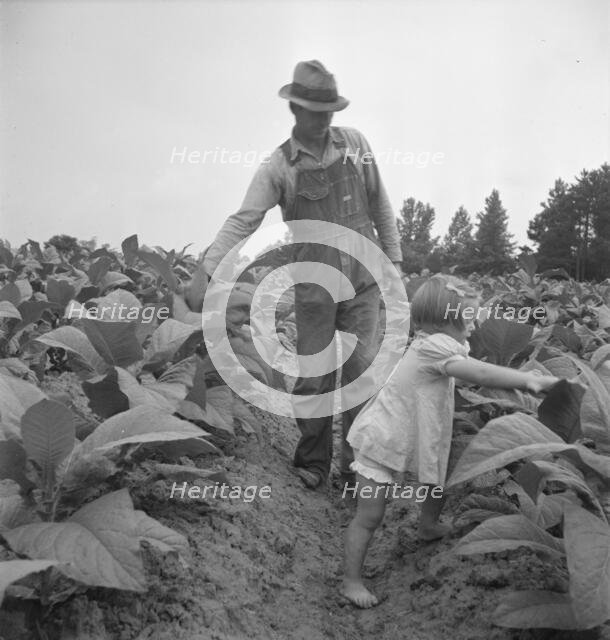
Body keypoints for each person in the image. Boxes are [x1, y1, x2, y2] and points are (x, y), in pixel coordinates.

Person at [202, 60, 404, 490]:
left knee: (360, 374)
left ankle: (356, 470)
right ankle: (314, 462)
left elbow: (381, 205)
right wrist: (206, 269)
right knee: (313, 379)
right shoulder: (280, 166)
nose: (325, 121)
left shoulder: (356, 145)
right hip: (314, 290)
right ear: (295, 111)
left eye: (330, 112)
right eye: (316, 113)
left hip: (363, 283)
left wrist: (396, 264)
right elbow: (244, 221)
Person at [341, 274, 559, 608]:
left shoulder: (441, 341)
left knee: (437, 478)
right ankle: (351, 581)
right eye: (469, 318)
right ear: (445, 322)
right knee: (369, 516)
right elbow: (481, 374)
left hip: (416, 434)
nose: (475, 324)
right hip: (381, 440)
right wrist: (531, 381)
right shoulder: (434, 347)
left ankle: (427, 525)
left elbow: (469, 366)